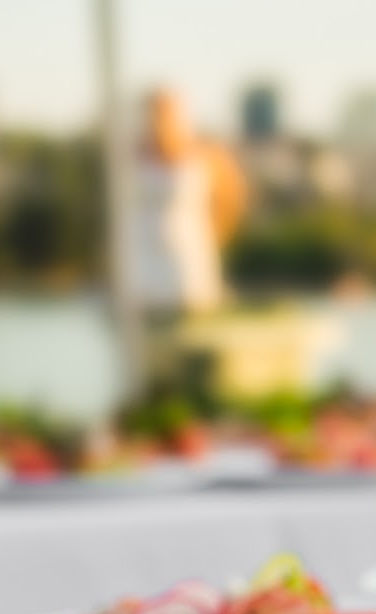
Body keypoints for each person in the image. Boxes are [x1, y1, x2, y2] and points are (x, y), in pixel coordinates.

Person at [119, 88, 246, 396]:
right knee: (147, 339)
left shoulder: (207, 153)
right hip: (141, 255)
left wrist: (214, 235)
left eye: (167, 112)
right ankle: (153, 399)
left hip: (188, 255)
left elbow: (231, 200)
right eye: (154, 112)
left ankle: (196, 400)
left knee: (193, 334)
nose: (159, 119)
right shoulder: (129, 154)